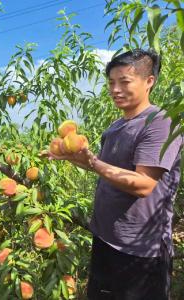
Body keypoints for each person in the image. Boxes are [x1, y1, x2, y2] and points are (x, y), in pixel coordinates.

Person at [49, 49, 183, 299]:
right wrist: (74, 158)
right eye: (111, 82)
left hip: (141, 250)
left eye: (125, 81)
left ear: (149, 81)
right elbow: (105, 169)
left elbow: (144, 185)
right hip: (106, 237)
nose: (115, 89)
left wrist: (93, 162)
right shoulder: (116, 126)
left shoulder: (160, 122)